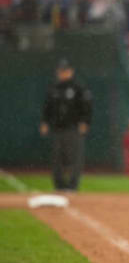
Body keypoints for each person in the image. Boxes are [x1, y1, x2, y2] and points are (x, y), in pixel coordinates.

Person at [40, 59, 92, 192]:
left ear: (70, 71)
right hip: (57, 128)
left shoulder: (78, 87)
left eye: (65, 70)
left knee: (75, 158)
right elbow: (47, 107)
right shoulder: (54, 88)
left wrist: (85, 122)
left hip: (73, 128)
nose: (62, 73)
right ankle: (59, 186)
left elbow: (86, 107)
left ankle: (72, 186)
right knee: (57, 158)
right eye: (61, 71)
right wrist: (45, 122)